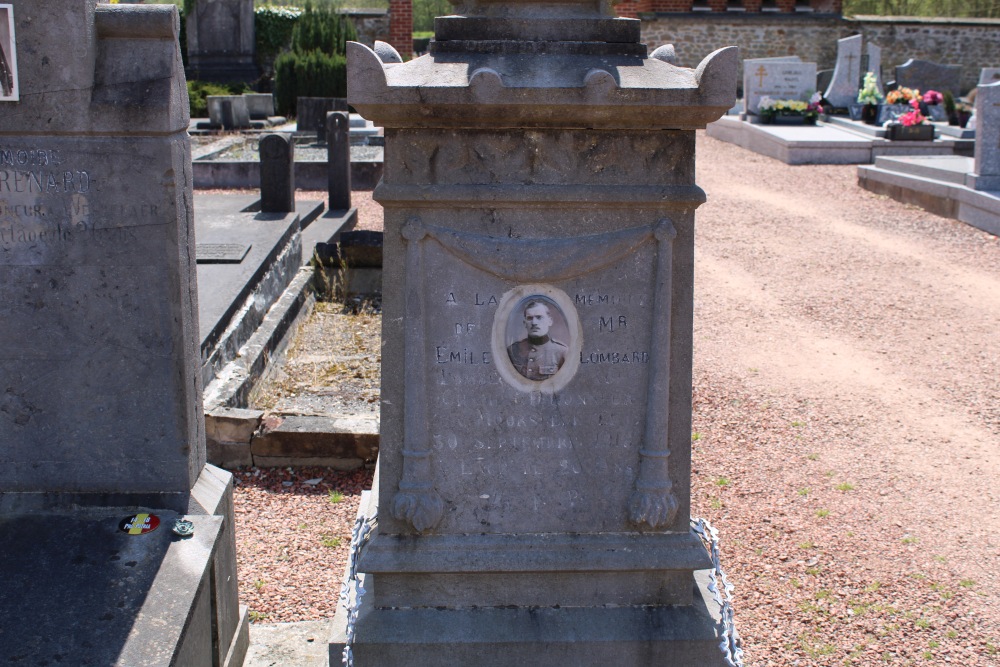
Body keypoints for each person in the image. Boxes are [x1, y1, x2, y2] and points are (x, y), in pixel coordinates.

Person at [507, 299, 567, 381]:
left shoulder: (562, 352)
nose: (534, 322)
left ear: (550, 321)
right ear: (525, 323)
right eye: (530, 318)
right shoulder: (513, 350)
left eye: (539, 317)